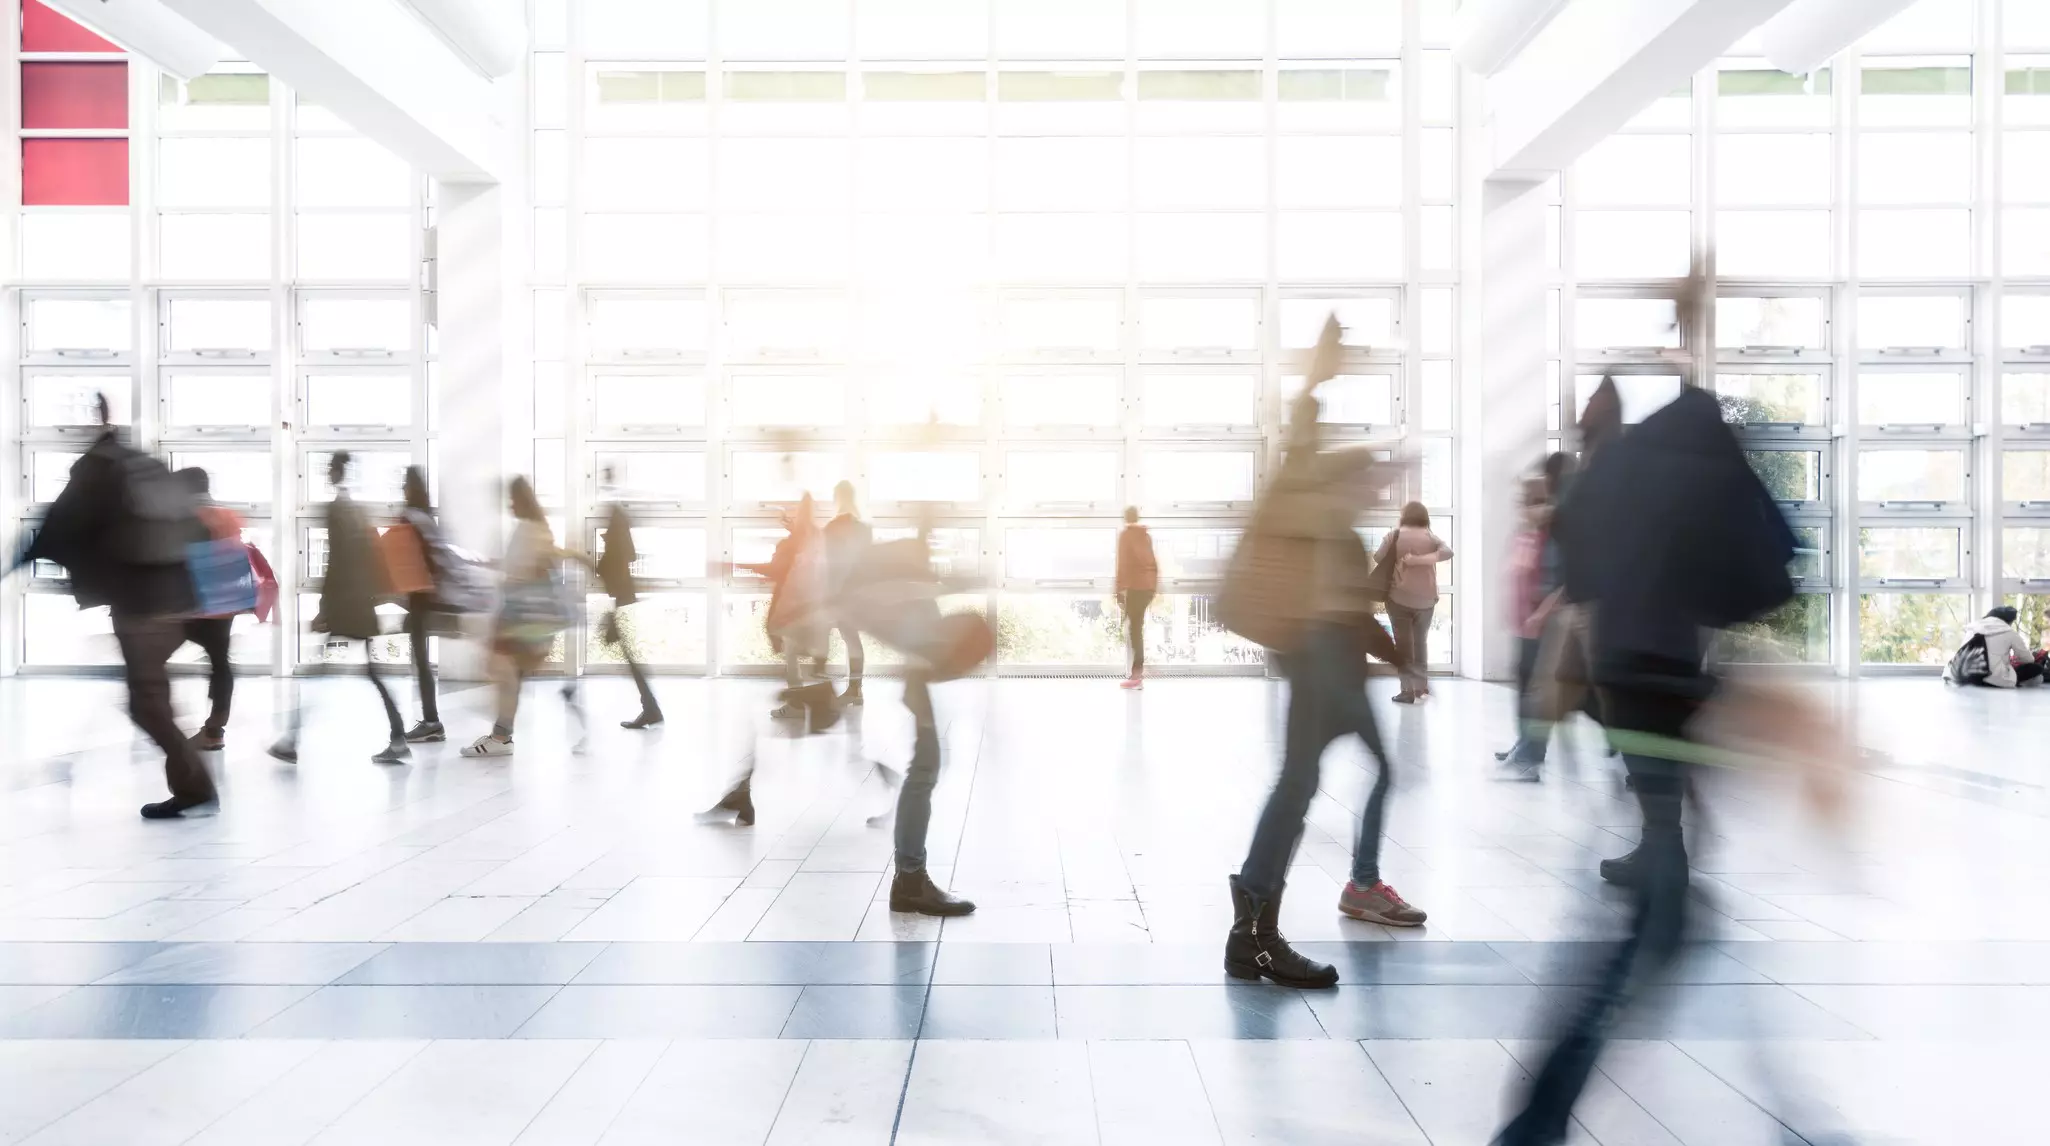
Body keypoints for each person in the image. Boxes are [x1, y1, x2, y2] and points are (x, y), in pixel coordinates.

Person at [1493, 386, 1797, 1146]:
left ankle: (1544, 1114)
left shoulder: (1617, 468)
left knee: (1673, 892)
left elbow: (1579, 559)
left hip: (1624, 683)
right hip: (1676, 682)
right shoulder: (1708, 459)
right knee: (1663, 919)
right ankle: (1540, 1117)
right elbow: (1771, 569)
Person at [1219, 323, 1427, 991]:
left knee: (1304, 784)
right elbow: (1299, 439)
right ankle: (1263, 929)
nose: (1377, 486)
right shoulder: (1309, 499)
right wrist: (1316, 379)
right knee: (1301, 785)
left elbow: (1355, 612)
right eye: (1368, 477)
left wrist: (1400, 660)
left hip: (1332, 660)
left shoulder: (1336, 534)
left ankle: (1260, 929)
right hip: (1319, 661)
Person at [707, 513, 983, 918]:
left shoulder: (852, 577)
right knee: (920, 768)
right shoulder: (851, 579)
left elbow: (897, 607)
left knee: (914, 766)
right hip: (900, 674)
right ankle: (909, 879)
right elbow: (890, 611)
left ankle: (908, 871)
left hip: (905, 672)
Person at [14, 396, 215, 818]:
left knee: (147, 701)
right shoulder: (144, 464)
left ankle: (194, 786)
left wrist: (19, 559)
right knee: (152, 696)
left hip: (139, 603)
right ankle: (191, 783)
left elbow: (60, 523)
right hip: (175, 599)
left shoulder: (95, 467)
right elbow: (194, 525)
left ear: (95, 422)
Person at [273, 451, 409, 765]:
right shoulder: (357, 510)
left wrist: (325, 608)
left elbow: (337, 563)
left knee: (320, 670)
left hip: (346, 604)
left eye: (330, 468)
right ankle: (398, 736)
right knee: (367, 672)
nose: (327, 473)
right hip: (359, 603)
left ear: (337, 471)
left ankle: (291, 740)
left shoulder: (338, 510)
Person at [461, 476, 589, 757]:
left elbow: (518, 571)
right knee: (509, 675)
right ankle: (502, 734)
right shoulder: (538, 529)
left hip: (519, 615)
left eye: (512, 500)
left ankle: (502, 736)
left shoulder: (529, 530)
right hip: (526, 615)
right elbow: (537, 562)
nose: (509, 505)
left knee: (501, 671)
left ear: (521, 501)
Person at [740, 494, 837, 732]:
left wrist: (741, 565)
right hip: (814, 606)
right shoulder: (818, 538)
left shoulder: (792, 543)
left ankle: (797, 702)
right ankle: (816, 701)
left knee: (791, 653)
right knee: (815, 654)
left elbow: (776, 570)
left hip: (794, 606)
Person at [178, 467, 243, 753]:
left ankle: (159, 715)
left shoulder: (185, 518)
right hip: (224, 603)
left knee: (151, 656)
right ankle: (215, 729)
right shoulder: (228, 517)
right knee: (220, 661)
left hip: (192, 605)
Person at [596, 466, 663, 729]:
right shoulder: (617, 514)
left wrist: (601, 562)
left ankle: (651, 708)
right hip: (621, 595)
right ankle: (650, 707)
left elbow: (625, 554)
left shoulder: (615, 514)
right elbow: (630, 554)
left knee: (628, 653)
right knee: (627, 652)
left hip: (620, 595)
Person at [1382, 501, 1453, 704]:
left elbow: (1379, 557)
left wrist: (1406, 560)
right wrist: (1423, 560)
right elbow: (1448, 552)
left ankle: (1407, 691)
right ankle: (1421, 687)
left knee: (1404, 646)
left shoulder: (1395, 535)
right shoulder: (1429, 536)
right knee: (1420, 643)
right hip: (1426, 600)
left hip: (1399, 598)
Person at [398, 466, 446, 743]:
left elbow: (405, 556)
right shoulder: (427, 517)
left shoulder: (410, 518)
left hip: (418, 594)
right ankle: (431, 719)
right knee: (421, 659)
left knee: (421, 660)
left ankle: (431, 721)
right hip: (428, 593)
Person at [822, 481, 873, 707]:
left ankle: (851, 690)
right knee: (852, 640)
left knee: (843, 638)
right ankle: (856, 688)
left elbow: (827, 562)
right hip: (859, 591)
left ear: (838, 497)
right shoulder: (863, 528)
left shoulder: (833, 526)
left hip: (840, 592)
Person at [1115, 506, 1158, 690]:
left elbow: (1123, 563)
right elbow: (1152, 562)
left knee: (1134, 629)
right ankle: (1137, 673)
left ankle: (1137, 675)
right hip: (1148, 587)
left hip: (1136, 586)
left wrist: (1118, 590)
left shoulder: (1126, 535)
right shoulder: (1145, 536)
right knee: (1136, 628)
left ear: (1125, 518)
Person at [1947, 605, 2040, 687]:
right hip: (1991, 679)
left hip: (1960, 676)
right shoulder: (2009, 632)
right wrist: (2013, 660)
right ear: (2009, 621)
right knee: (2037, 668)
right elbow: (2028, 659)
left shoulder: (1972, 628)